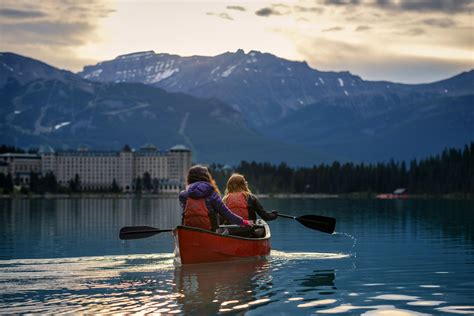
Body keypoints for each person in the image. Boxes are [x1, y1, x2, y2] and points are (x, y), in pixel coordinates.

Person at [179, 165, 252, 231]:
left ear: (189, 178)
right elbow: (227, 214)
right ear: (206, 177)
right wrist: (244, 222)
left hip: (188, 231)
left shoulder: (183, 195)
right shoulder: (212, 194)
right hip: (209, 231)